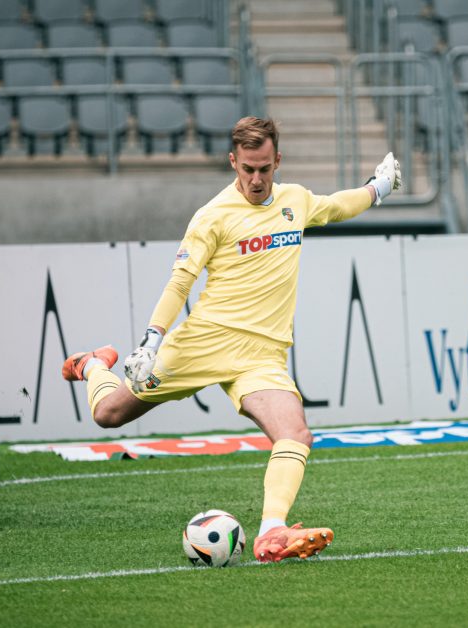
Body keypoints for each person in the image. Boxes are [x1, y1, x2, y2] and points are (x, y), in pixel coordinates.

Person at [61, 116, 401, 563]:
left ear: (277, 160)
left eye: (264, 168)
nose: (256, 179)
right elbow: (180, 281)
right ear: (233, 163)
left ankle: (272, 532)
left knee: (295, 433)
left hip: (262, 357)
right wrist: (150, 341)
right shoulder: (212, 216)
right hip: (204, 342)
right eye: (247, 169)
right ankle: (93, 365)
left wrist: (378, 188)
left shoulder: (294, 200)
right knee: (109, 414)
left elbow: (337, 205)